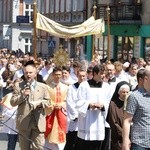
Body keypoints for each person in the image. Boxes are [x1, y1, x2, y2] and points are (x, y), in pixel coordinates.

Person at [10, 64, 51, 150]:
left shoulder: (43, 86)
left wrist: (39, 103)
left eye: (30, 72)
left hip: (38, 122)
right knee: (24, 148)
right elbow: (12, 102)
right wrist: (22, 95)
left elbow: (48, 102)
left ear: (35, 74)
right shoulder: (18, 86)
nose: (28, 74)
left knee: (38, 147)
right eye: (26, 73)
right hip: (24, 122)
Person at [75, 65, 111, 150]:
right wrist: (89, 104)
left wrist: (103, 105)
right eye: (101, 73)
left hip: (99, 121)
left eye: (103, 73)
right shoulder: (84, 85)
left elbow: (109, 102)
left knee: (98, 145)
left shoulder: (106, 87)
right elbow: (78, 101)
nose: (103, 76)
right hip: (87, 121)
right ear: (94, 73)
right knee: (86, 145)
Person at [122, 67, 150, 150]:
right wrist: (126, 140)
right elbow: (127, 120)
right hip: (140, 144)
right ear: (146, 79)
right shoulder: (135, 96)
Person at [45, 66, 68, 150]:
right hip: (51, 112)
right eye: (56, 74)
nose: (58, 76)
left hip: (61, 112)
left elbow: (67, 100)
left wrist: (61, 104)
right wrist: (52, 104)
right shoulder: (48, 87)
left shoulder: (65, 87)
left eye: (59, 74)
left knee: (62, 132)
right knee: (50, 132)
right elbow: (46, 99)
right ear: (53, 75)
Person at [64, 68, 87, 150]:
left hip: (85, 117)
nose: (82, 78)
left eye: (84, 76)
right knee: (71, 141)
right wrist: (76, 115)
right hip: (75, 118)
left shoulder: (88, 87)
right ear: (77, 76)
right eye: (80, 76)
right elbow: (70, 102)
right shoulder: (72, 87)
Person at [106, 81, 130, 150]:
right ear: (119, 92)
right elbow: (113, 122)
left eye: (127, 92)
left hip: (131, 138)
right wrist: (125, 134)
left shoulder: (131, 104)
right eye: (123, 92)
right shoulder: (113, 104)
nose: (125, 94)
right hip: (118, 139)